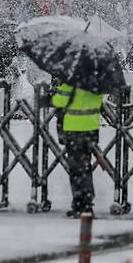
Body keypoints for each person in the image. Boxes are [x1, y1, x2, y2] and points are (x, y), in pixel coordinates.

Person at [51, 83, 104, 218]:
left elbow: (58, 103)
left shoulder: (69, 84)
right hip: (90, 130)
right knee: (85, 167)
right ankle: (87, 201)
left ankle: (80, 203)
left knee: (76, 170)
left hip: (73, 131)